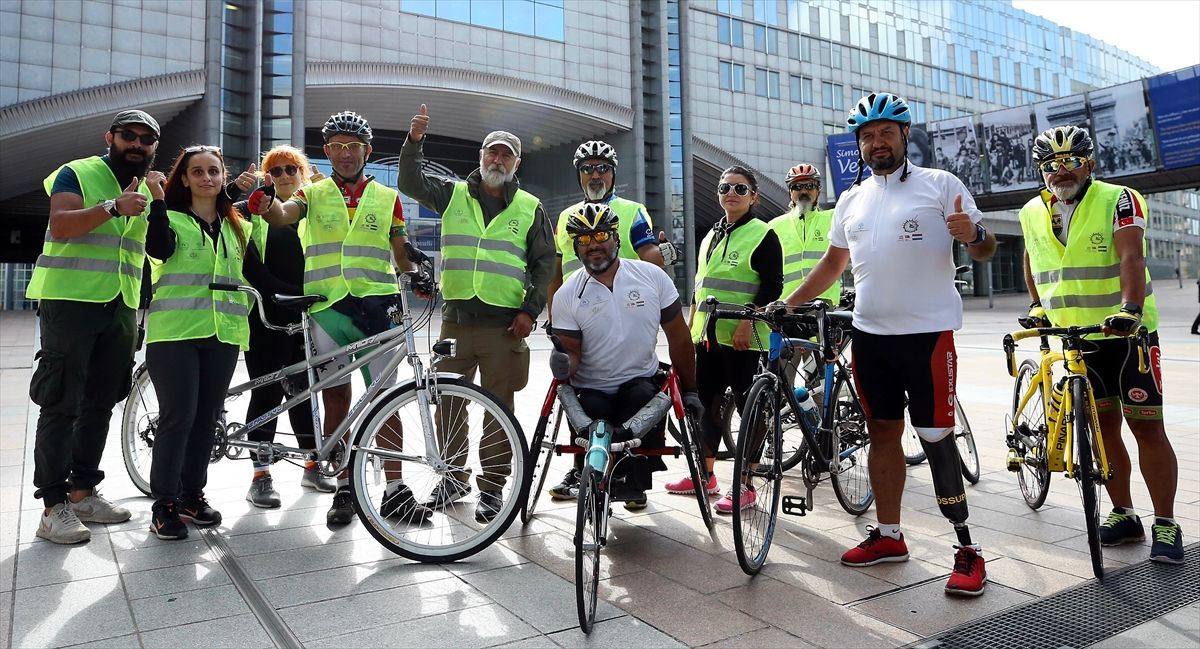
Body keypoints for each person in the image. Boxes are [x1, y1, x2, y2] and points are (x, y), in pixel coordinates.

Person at [782, 92, 997, 596]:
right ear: (859, 144)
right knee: (881, 433)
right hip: (870, 336)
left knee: (936, 438)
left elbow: (986, 250)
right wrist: (789, 303)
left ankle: (968, 549)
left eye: (885, 133)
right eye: (867, 136)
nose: (876, 142)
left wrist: (974, 233)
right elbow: (833, 264)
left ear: (904, 136)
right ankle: (889, 535)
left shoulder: (941, 184)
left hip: (928, 336)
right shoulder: (851, 199)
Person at [250, 110, 432, 526]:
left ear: (368, 151)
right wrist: (266, 205)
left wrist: (415, 275)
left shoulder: (387, 197)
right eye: (337, 146)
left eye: (353, 146)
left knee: (386, 400)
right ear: (327, 152)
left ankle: (394, 491)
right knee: (336, 398)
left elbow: (400, 248)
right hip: (327, 309)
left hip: (378, 308)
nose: (346, 153)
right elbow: (283, 214)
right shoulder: (311, 193)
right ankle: (345, 487)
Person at [1019, 125, 1183, 564]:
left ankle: (1166, 523)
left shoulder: (1119, 199)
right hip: (1078, 341)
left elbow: (1132, 255)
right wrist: (1037, 305)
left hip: (1126, 336)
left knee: (1146, 427)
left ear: (1089, 163)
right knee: (1103, 428)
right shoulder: (1030, 211)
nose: (1061, 170)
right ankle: (1123, 514)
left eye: (1071, 161)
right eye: (1050, 164)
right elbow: (1032, 258)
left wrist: (1130, 308)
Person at [398, 104, 556, 523]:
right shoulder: (452, 194)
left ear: (516, 164)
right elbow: (409, 181)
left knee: (498, 409)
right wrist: (414, 141)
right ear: (481, 156)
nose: (497, 160)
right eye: (492, 152)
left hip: (505, 327)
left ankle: (493, 488)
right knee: (448, 404)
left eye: (506, 155)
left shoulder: (530, 207)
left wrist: (530, 310)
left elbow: (545, 263)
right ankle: (452, 479)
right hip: (455, 322)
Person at [26, 110, 161, 544]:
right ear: (110, 137)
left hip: (121, 304)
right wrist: (112, 207)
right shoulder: (77, 172)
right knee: (61, 401)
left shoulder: (149, 187)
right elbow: (62, 224)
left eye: (145, 139)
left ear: (154, 147)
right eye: (128, 136)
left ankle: (83, 492)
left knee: (101, 402)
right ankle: (53, 507)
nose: (136, 144)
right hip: (70, 301)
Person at [548, 203, 702, 509]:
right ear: (575, 248)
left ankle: (633, 481)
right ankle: (592, 475)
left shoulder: (652, 277)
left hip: (639, 381)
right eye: (584, 239)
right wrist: (564, 363)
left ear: (616, 238)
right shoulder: (567, 294)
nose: (593, 245)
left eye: (601, 235)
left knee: (641, 397)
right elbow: (572, 352)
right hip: (591, 386)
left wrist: (691, 390)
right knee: (593, 410)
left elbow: (679, 338)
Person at [143, 145, 256, 540]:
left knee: (207, 419)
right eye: (197, 172)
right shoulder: (169, 217)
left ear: (224, 178)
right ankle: (164, 505)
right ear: (185, 179)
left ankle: (192, 496)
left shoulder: (237, 226)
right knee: (179, 417)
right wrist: (158, 200)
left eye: (214, 171)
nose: (207, 177)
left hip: (222, 335)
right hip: (174, 335)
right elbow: (158, 249)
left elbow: (254, 273)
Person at [546, 140, 668, 500]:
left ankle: (632, 479)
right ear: (579, 175)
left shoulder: (632, 211)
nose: (595, 174)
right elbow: (556, 271)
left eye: (602, 168)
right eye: (588, 169)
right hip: (577, 312)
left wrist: (661, 258)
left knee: (635, 391)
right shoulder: (566, 217)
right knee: (579, 392)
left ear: (613, 174)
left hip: (620, 310)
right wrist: (554, 316)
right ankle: (580, 469)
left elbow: (650, 255)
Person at [665, 166, 783, 515]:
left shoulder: (763, 234)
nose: (731, 193)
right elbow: (701, 288)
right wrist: (691, 327)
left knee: (750, 409)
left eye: (740, 188)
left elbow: (772, 286)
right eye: (724, 187)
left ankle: (746, 484)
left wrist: (748, 320)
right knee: (707, 404)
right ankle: (705, 476)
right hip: (709, 337)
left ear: (754, 197)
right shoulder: (712, 234)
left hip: (745, 340)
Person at [239, 146, 333, 508]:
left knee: (305, 392)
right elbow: (251, 266)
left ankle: (312, 465)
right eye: (275, 171)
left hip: (310, 313)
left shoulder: (316, 208)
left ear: (302, 172)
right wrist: (285, 295)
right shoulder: (253, 211)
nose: (283, 176)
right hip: (267, 314)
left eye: (290, 169)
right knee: (266, 393)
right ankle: (260, 476)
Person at [768, 164, 840, 304]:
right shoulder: (774, 226)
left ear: (818, 190)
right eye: (797, 187)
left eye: (810, 186)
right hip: (784, 305)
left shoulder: (834, 218)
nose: (804, 191)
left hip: (824, 303)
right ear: (790, 192)